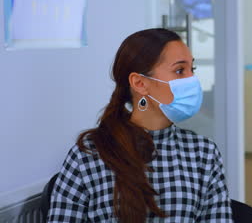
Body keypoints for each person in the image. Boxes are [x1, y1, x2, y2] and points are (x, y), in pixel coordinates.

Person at [48, 28, 232, 222]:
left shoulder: (204, 153)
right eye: (179, 70)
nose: (192, 79)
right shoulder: (89, 154)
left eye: (191, 70)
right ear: (140, 83)